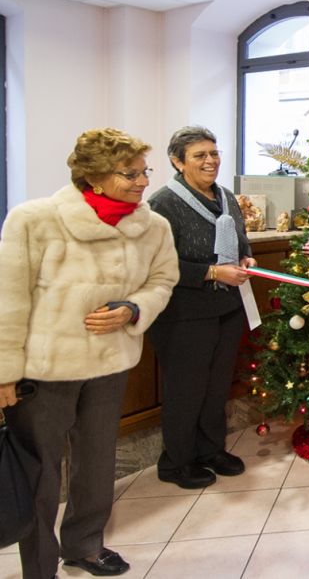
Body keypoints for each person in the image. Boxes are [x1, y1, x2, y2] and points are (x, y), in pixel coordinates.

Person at [0, 128, 179, 579]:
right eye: (130, 173)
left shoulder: (152, 225)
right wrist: (4, 371)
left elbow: (162, 281)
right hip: (44, 370)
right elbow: (9, 299)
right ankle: (38, 566)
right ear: (94, 178)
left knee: (97, 462)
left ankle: (84, 544)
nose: (142, 182)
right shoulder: (33, 220)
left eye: (144, 172)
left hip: (110, 363)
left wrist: (133, 308)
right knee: (39, 473)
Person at [148, 126, 257, 489]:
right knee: (186, 389)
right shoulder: (163, 203)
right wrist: (212, 271)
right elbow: (157, 264)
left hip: (227, 308)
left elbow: (241, 241)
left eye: (214, 153)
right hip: (184, 314)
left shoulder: (225, 197)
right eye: (200, 155)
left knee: (215, 387)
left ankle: (211, 450)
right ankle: (176, 461)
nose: (211, 161)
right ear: (178, 162)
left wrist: (246, 258)